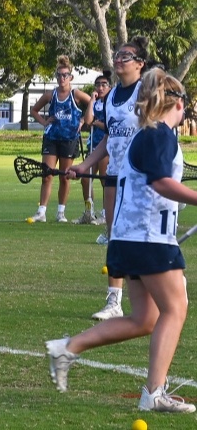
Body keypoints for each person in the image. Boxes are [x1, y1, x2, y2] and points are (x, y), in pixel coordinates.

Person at [47, 68, 195, 413]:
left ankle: (67, 347)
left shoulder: (148, 135)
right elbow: (161, 183)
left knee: (145, 319)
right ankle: (154, 393)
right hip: (148, 238)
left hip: (129, 238)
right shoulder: (160, 134)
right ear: (176, 103)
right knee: (176, 308)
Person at [70, 37, 152, 321]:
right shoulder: (113, 94)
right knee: (115, 237)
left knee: (142, 237)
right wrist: (84, 165)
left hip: (141, 178)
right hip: (115, 175)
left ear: (140, 63)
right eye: (117, 55)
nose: (118, 59)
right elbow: (109, 138)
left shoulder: (146, 90)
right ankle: (114, 302)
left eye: (125, 56)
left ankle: (157, 292)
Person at [27, 55, 91, 223]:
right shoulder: (50, 95)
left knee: (65, 176)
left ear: (70, 77)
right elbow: (34, 110)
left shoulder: (76, 94)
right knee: (47, 174)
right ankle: (41, 211)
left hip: (69, 139)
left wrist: (84, 120)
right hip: (52, 138)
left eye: (65, 75)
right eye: (59, 75)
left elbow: (93, 104)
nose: (62, 78)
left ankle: (61, 212)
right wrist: (44, 122)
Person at [75, 72, 112, 227]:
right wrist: (91, 101)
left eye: (104, 84)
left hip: (107, 146)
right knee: (85, 178)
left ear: (109, 87)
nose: (100, 87)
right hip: (94, 144)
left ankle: (106, 213)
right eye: (98, 84)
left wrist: (99, 124)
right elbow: (89, 120)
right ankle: (89, 212)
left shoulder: (112, 103)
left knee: (104, 179)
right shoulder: (96, 103)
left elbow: (111, 126)